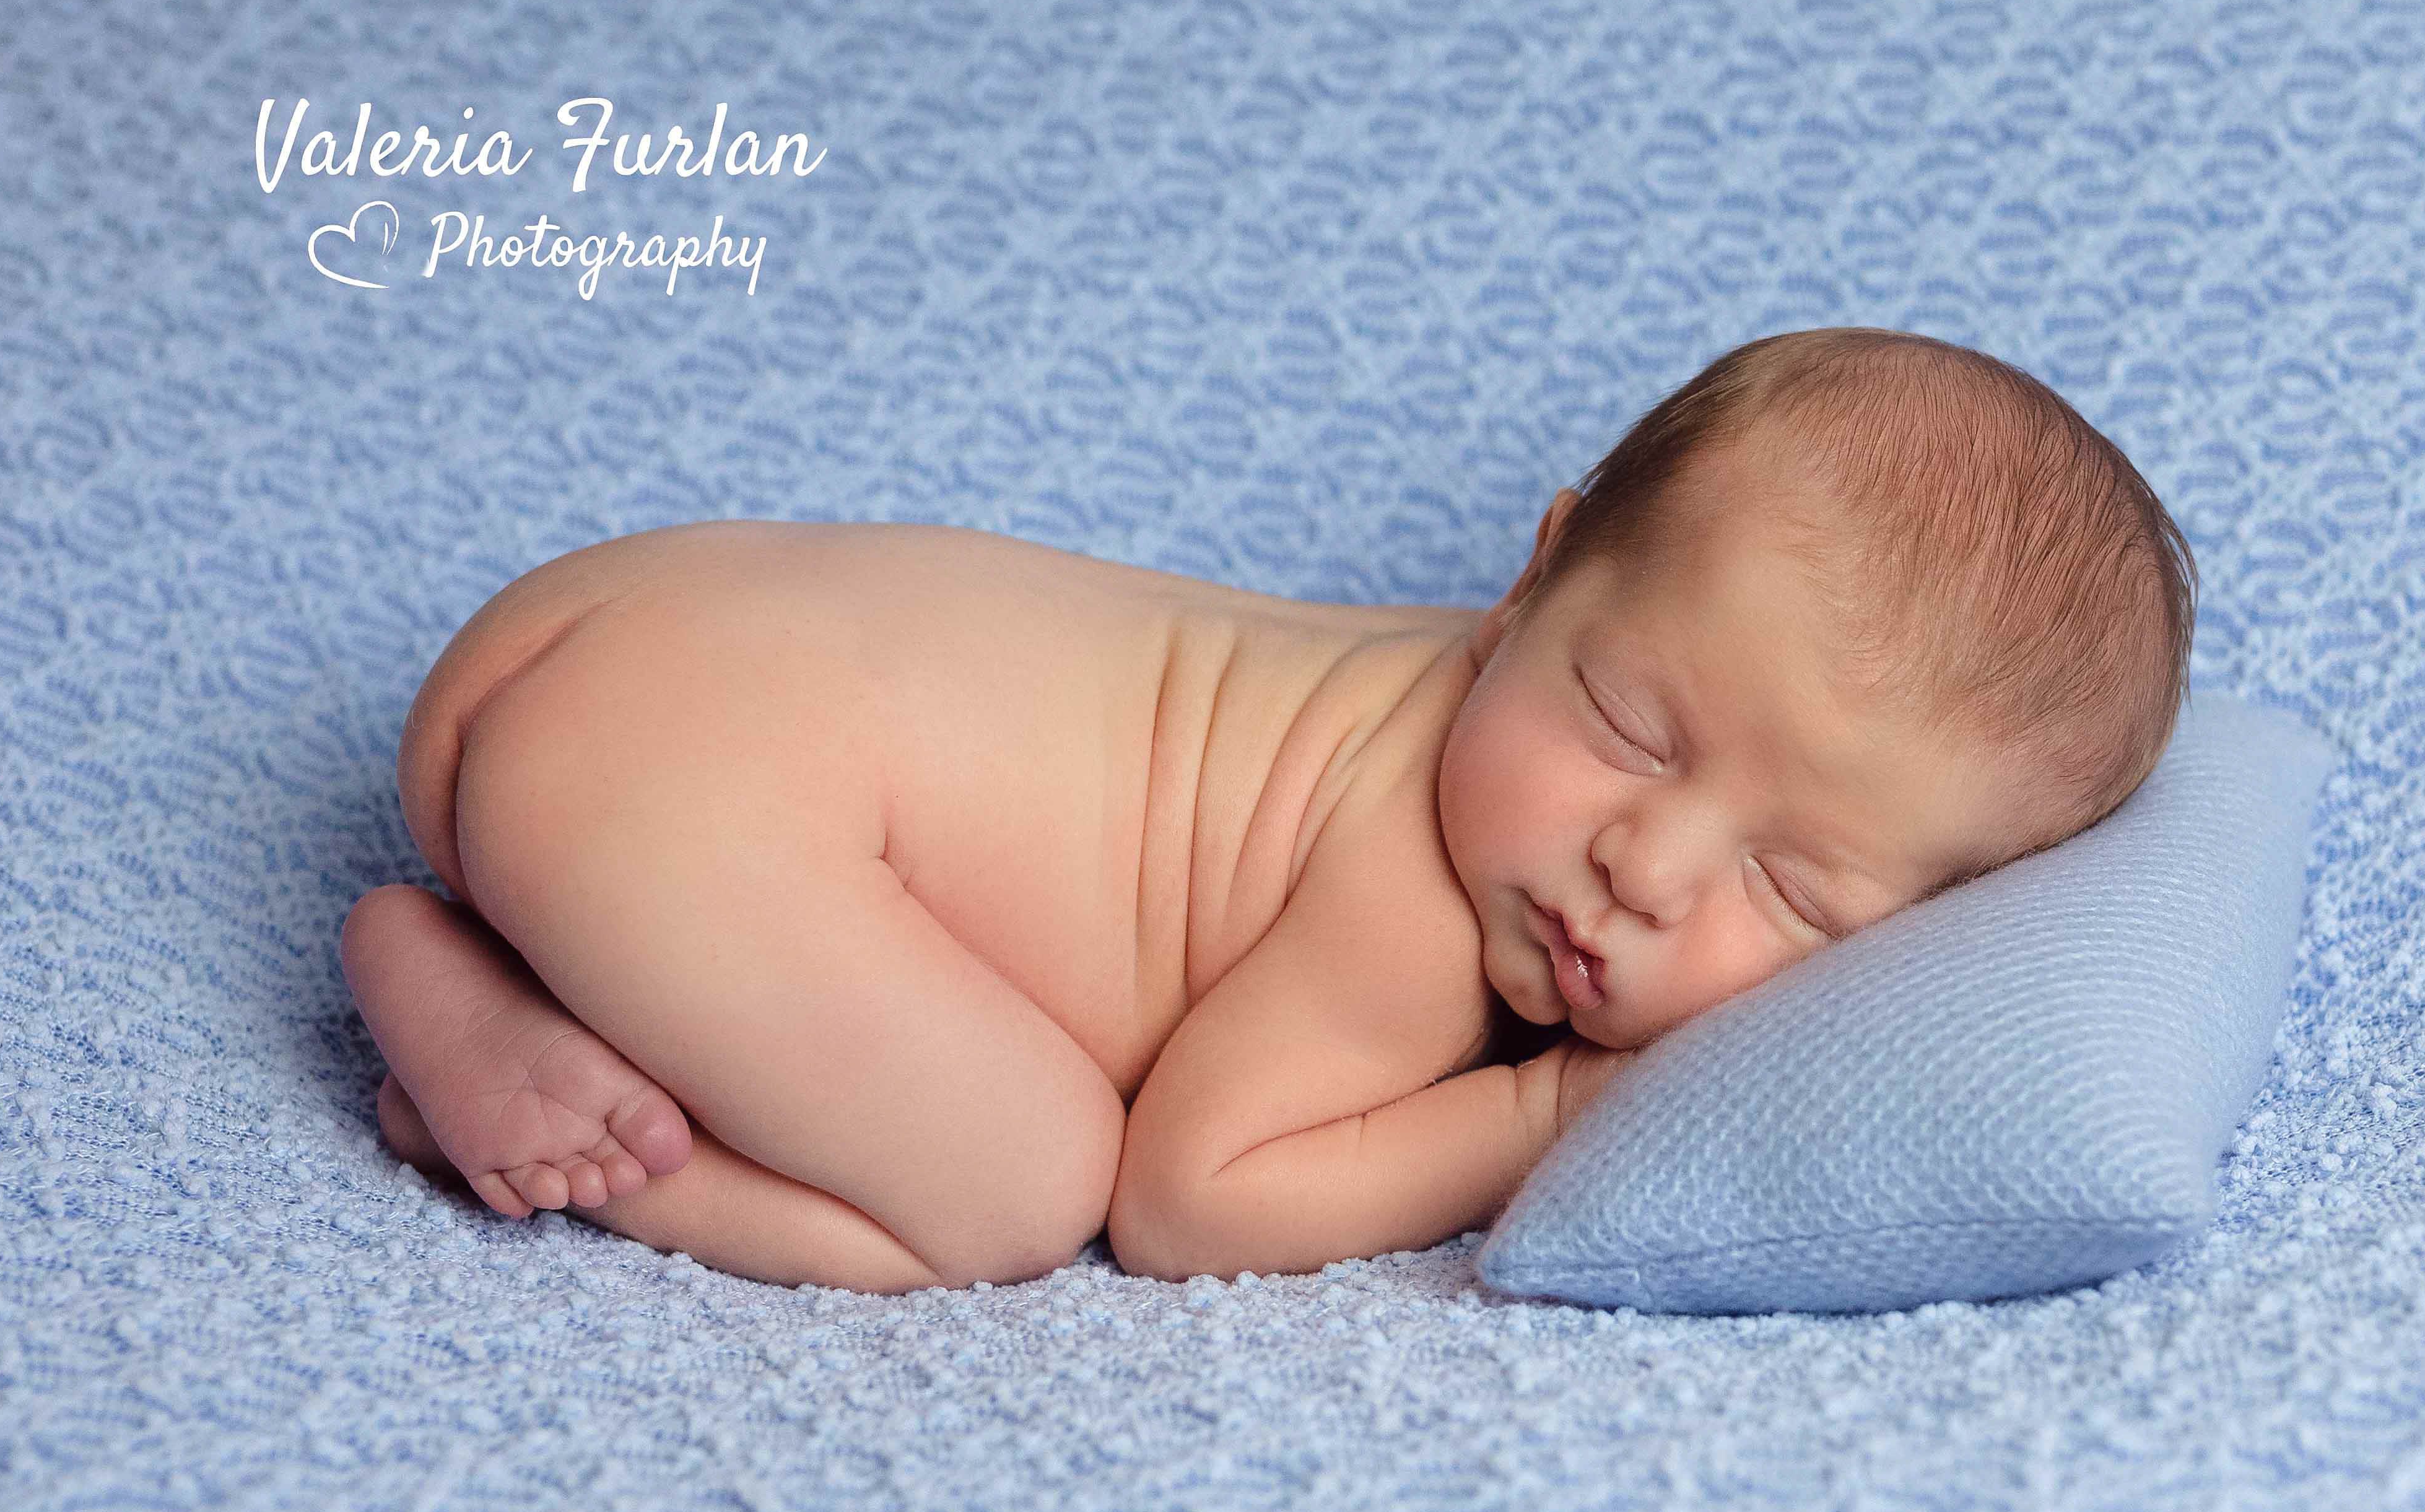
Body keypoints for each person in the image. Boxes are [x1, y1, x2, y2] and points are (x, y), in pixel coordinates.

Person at [338, 327, 2196, 1290]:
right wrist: (1540, 1104)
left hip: (615, 631)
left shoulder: (1472, 699)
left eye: (1788, 888)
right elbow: (1187, 1196)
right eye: (1629, 726)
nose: (1644, 865)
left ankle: (509, 935)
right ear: (1531, 582)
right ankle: (507, 1085)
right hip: (675, 787)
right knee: (1014, 1187)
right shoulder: (1409, 896)